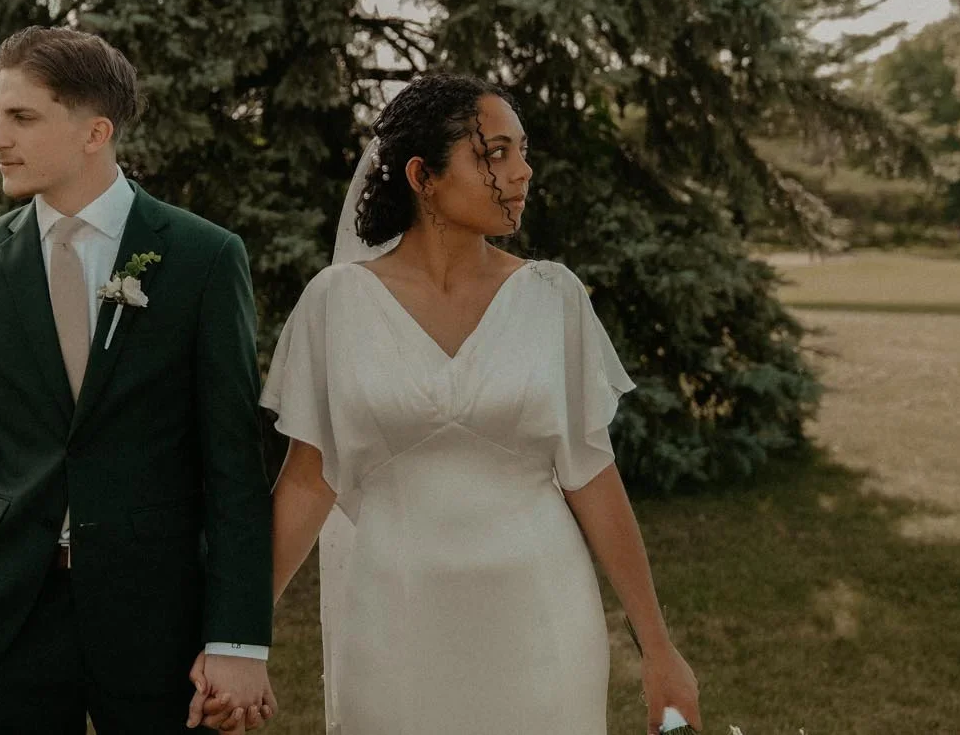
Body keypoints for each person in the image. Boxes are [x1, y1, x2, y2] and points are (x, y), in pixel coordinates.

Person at [254, 72, 700, 734]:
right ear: (422, 175)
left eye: (521, 151)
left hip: (543, 626)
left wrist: (659, 649)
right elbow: (306, 480)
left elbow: (593, 476)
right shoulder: (336, 302)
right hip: (393, 625)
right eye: (493, 153)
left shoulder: (554, 296)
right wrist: (237, 639)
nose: (521, 171)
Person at [0, 27, 278, 734]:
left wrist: (237, 640)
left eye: (20, 117)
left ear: (96, 131)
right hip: (10, 617)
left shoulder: (203, 258)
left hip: (160, 622)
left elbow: (236, 466)